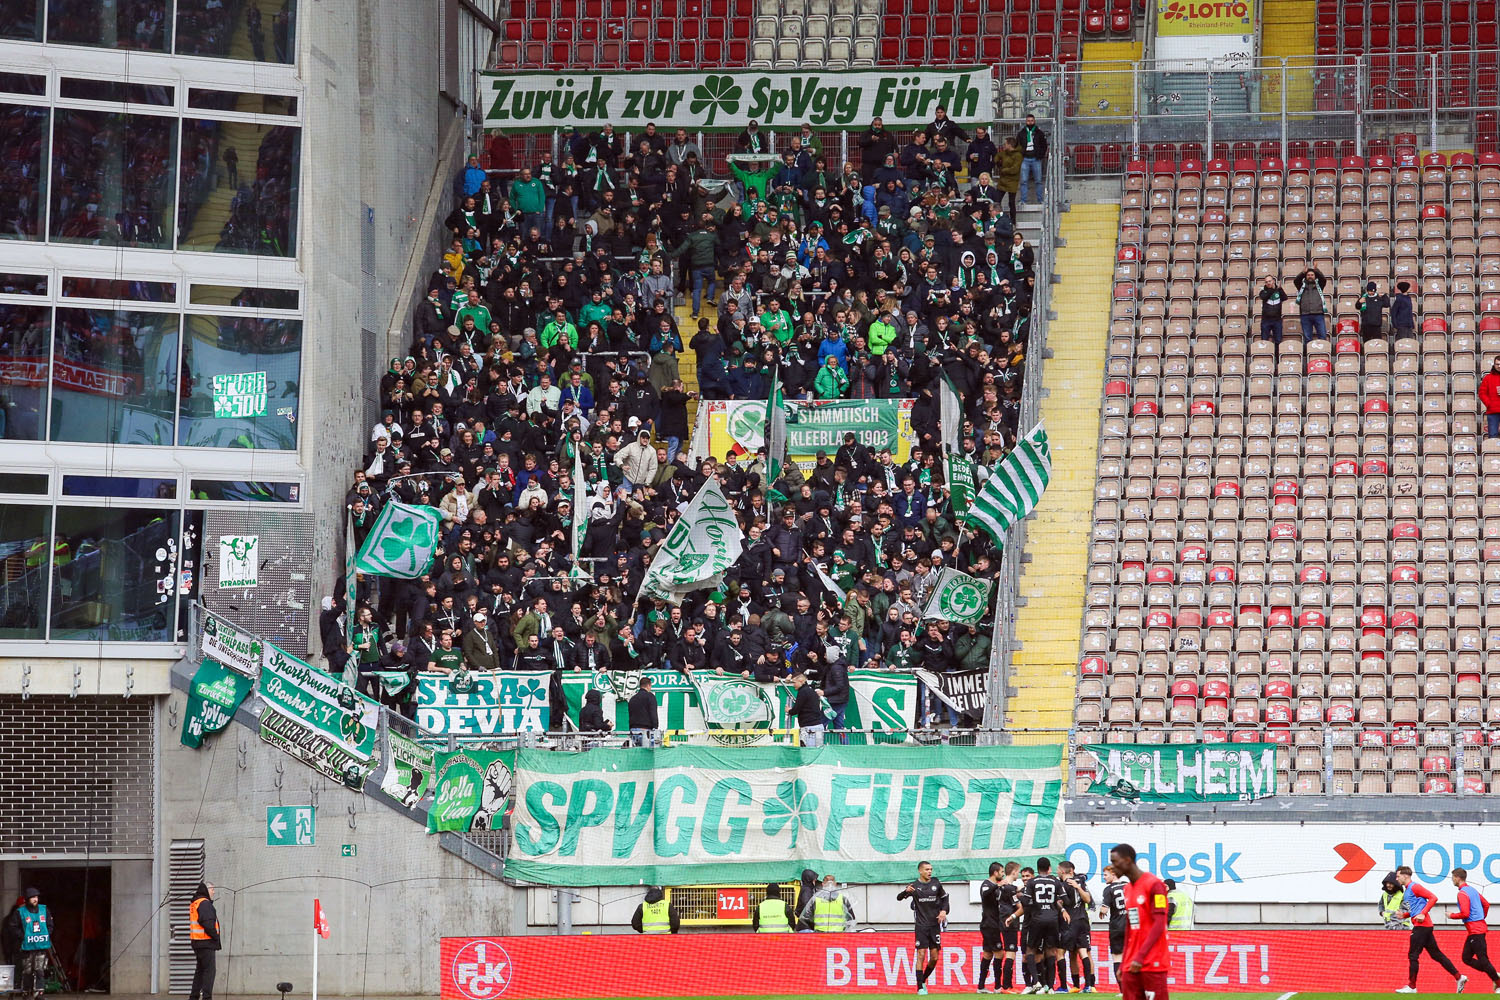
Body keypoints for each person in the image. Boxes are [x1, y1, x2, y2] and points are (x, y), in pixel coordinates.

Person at [1109, 843, 1170, 1000]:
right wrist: (1124, 962)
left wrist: (1141, 956)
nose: (1112, 866)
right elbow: (1130, 927)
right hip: (1132, 963)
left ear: (1128, 860)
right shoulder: (1127, 889)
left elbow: (1159, 924)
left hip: (1152, 962)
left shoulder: (1155, 885)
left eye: (1115, 862)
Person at [1395, 865, 1464, 993]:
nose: (1396, 878)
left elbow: (1433, 897)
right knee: (1436, 955)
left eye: (1398, 876)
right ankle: (1459, 977)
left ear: (1405, 876)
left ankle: (1411, 987)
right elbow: (1416, 909)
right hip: (1425, 926)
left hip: (1421, 926)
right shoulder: (1408, 890)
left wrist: (1424, 913)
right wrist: (1404, 915)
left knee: (1413, 955)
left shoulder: (1415, 887)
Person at [896, 861, 950, 995]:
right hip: (921, 926)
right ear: (920, 871)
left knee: (935, 958)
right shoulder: (915, 886)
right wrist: (905, 892)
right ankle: (920, 987)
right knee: (921, 955)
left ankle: (923, 979)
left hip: (934, 926)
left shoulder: (936, 884)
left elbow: (945, 899)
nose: (929, 872)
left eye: (931, 869)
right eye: (927, 869)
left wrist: (944, 911)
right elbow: (899, 898)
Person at [1019, 857, 1066, 994]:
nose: (1025, 878)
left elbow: (1026, 902)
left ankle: (1036, 982)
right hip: (1052, 919)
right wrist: (1058, 906)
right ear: (1049, 868)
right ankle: (1050, 987)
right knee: (1051, 952)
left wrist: (1020, 895)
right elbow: (1066, 899)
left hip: (1037, 920)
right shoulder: (1055, 881)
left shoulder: (1032, 883)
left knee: (1030, 951)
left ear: (1037, 869)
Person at [1448, 867, 1500, 990]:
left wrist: (1451, 915)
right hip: (1475, 930)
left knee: (1483, 959)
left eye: (1453, 878)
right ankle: (1494, 974)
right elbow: (1486, 904)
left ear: (1457, 877)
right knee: (1466, 958)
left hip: (1476, 930)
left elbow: (1465, 913)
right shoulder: (1472, 890)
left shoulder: (1462, 893)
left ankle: (1497, 982)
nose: (1452, 880)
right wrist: (1481, 917)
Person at [1058, 860, 1096, 991]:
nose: (1057, 872)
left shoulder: (1062, 885)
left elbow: (1059, 902)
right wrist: (1079, 887)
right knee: (1082, 952)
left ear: (1063, 871)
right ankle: (1088, 985)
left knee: (1063, 953)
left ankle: (1069, 986)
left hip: (1070, 922)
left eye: (1058, 870)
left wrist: (1062, 909)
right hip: (1083, 921)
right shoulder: (1080, 882)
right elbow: (1088, 900)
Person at [978, 862, 1013, 994]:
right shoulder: (987, 884)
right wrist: (997, 886)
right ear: (995, 873)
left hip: (994, 924)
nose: (1003, 874)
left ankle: (981, 986)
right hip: (989, 925)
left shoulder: (998, 887)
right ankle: (998, 986)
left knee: (987, 954)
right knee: (999, 953)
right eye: (1002, 871)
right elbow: (985, 894)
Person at [12, 888, 51, 1000]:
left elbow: (50, 925)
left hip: (40, 945)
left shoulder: (44, 909)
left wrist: (46, 934)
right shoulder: (20, 912)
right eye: (33, 897)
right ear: (27, 899)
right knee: (27, 971)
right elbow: (13, 927)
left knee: (40, 970)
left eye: (37, 897)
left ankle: (39, 993)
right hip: (27, 947)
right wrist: (23, 936)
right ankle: (27, 993)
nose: (35, 899)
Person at [188, 881, 221, 1000]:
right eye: (212, 889)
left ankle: (194, 997)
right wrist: (216, 937)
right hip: (206, 942)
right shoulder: (204, 903)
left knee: (200, 972)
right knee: (209, 972)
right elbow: (207, 923)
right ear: (207, 890)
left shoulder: (195, 903)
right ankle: (207, 998)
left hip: (198, 943)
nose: (214, 891)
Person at [1099, 864, 1130, 986]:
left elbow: (1104, 910)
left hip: (1117, 927)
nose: (1104, 878)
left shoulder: (1109, 889)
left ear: (1114, 874)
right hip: (1131, 926)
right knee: (1132, 958)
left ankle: (1123, 991)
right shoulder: (1129, 886)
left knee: (1117, 958)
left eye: (1106, 875)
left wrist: (1101, 911)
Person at [1014, 114, 1048, 206]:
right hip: (1025, 159)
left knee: (1038, 180)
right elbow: (1017, 145)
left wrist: (1040, 155)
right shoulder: (1021, 133)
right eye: (1028, 121)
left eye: (1031, 121)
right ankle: (1023, 200)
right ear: (1026, 121)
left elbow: (1044, 145)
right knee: (1024, 181)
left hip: (1036, 159)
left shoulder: (1039, 133)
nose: (1030, 122)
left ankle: (1040, 200)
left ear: (1034, 121)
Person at [1290, 266, 1329, 341]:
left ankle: (1322, 352)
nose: (1310, 276)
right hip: (1305, 315)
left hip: (1318, 314)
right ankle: (1309, 352)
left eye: (1312, 275)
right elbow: (1296, 280)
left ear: (1315, 276)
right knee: (1307, 338)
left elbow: (1323, 279)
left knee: (1322, 335)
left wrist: (1316, 270)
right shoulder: (1301, 286)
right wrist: (1302, 273)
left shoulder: (1319, 285)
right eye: (1308, 275)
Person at [788, 668, 825, 747]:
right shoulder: (811, 690)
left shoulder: (803, 692)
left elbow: (796, 709)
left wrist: (789, 711)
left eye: (794, 682)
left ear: (801, 681)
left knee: (808, 753)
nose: (793, 684)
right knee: (818, 753)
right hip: (818, 726)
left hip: (809, 728)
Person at [627, 674, 659, 747]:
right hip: (645, 731)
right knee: (647, 755)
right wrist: (655, 728)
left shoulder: (632, 698)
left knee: (636, 755)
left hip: (633, 731)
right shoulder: (650, 696)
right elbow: (653, 713)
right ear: (648, 685)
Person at [1257, 275, 1285, 345]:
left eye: (1269, 281)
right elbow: (1264, 297)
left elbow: (1285, 298)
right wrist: (1273, 289)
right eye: (1266, 282)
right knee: (1264, 341)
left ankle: (1277, 355)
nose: (1268, 283)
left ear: (1273, 281)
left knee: (1278, 340)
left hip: (1277, 320)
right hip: (1266, 320)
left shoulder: (1279, 291)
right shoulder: (1263, 292)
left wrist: (1280, 289)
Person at [1480, 357, 1500, 439]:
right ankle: (1493, 452)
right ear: (1494, 365)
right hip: (1493, 411)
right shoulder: (1488, 378)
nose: (1499, 366)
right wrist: (1489, 404)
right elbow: (1482, 393)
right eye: (1497, 364)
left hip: (1492, 411)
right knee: (1493, 435)